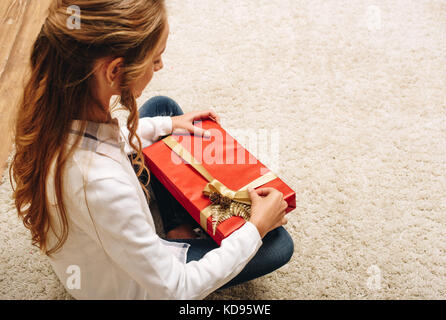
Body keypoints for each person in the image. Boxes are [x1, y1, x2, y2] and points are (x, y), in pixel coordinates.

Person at [10, 0, 293, 299]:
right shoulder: (101, 185)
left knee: (163, 109)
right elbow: (177, 289)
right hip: (128, 288)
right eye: (155, 59)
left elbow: (105, 140)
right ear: (115, 69)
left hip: (105, 223)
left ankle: (177, 226)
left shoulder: (55, 106)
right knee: (277, 244)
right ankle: (177, 230)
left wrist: (167, 125)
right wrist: (255, 229)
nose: (160, 67)